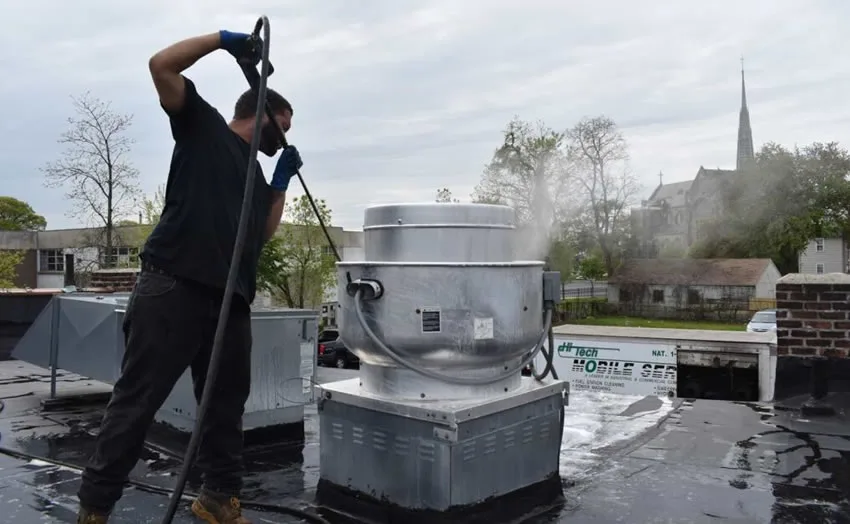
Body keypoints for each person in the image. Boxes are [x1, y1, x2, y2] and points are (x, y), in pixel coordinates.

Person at [76, 29, 303, 524]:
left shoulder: (257, 175)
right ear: (264, 112)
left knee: (225, 407)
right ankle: (95, 507)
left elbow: (259, 235)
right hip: (173, 284)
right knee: (138, 401)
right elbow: (161, 65)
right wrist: (222, 41)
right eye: (285, 123)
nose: (287, 133)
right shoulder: (203, 126)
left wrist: (280, 185)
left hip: (230, 299)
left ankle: (218, 498)